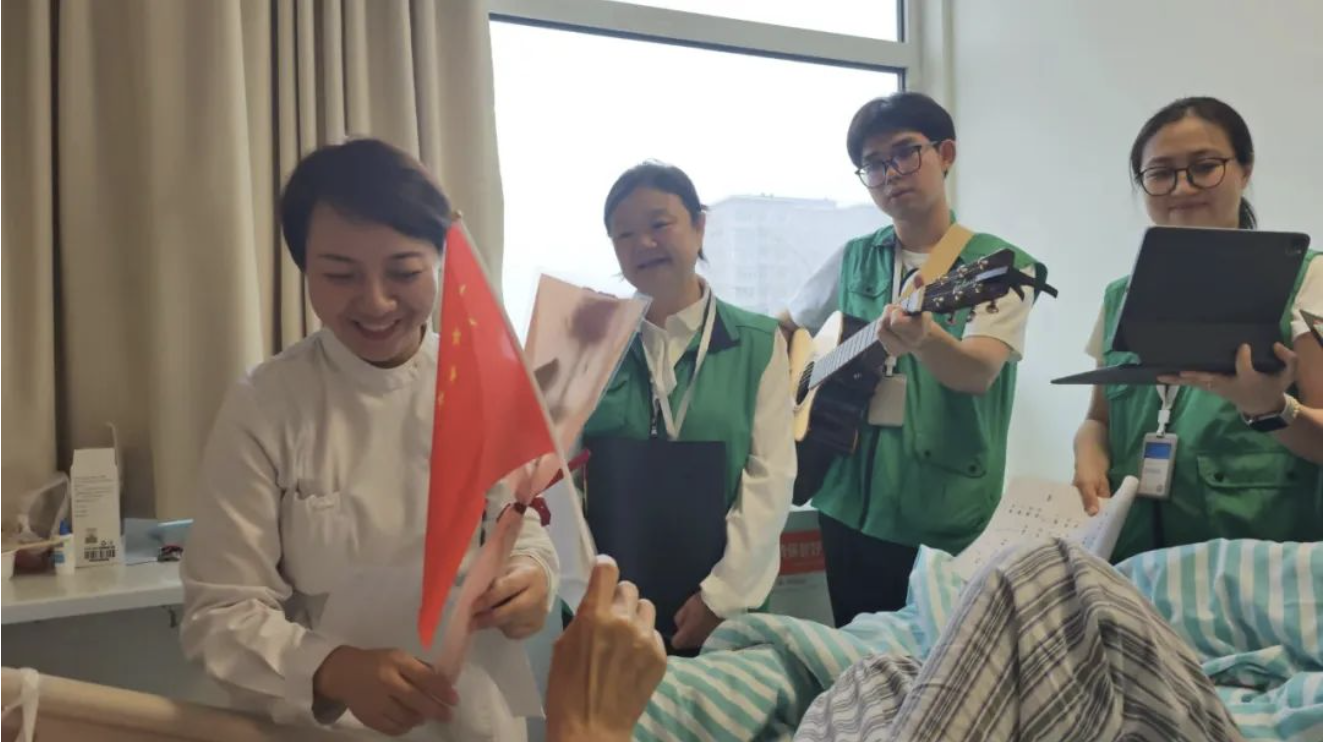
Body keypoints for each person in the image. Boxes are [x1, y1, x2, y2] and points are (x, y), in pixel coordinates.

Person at [180, 139, 558, 739]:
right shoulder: (267, 406)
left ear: (441, 261)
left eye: (404, 272)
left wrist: (531, 576)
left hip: (473, 718)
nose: (376, 301)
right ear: (305, 269)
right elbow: (220, 613)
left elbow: (520, 523)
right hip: (330, 727)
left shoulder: (486, 384)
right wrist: (331, 668)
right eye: (340, 274)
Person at [779, 92, 1049, 625]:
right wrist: (794, 388)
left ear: (945, 154)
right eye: (874, 165)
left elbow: (978, 371)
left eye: (905, 153)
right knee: (857, 654)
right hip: (843, 497)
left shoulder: (999, 267)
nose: (891, 174)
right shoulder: (854, 256)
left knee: (942, 653)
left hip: (941, 511)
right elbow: (784, 329)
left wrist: (924, 339)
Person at [1072, 97, 1322, 560]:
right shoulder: (1119, 297)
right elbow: (1099, 420)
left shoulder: (1308, 279)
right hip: (1133, 568)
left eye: (1204, 167)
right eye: (1161, 173)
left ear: (1245, 170)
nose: (1182, 187)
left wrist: (1271, 409)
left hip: (1254, 570)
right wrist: (1087, 452)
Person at [579, 162, 795, 652]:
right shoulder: (593, 342)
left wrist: (722, 598)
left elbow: (770, 478)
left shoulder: (758, 342)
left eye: (660, 224)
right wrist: (591, 589)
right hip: (611, 604)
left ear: (699, 226)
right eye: (624, 234)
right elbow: (563, 478)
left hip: (725, 609)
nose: (643, 243)